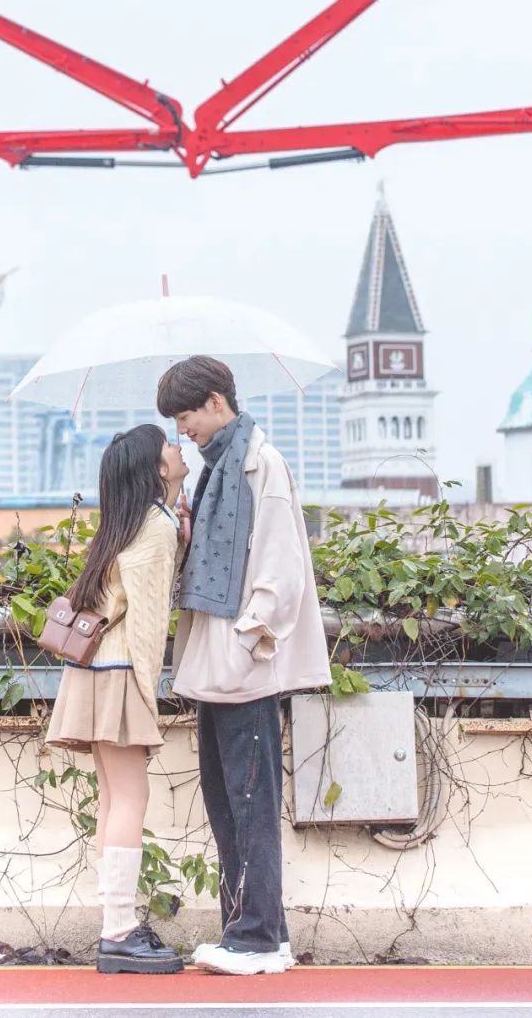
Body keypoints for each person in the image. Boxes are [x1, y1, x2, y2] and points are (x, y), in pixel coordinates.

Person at [156, 356, 330, 976]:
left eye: (187, 417)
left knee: (250, 800)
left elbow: (282, 566)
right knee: (227, 797)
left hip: (243, 663)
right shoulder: (218, 469)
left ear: (215, 401)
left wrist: (248, 641)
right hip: (219, 663)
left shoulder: (260, 463)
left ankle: (254, 937)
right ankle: (259, 932)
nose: (183, 431)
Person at [45, 423, 189, 975]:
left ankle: (116, 926)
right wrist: (150, 694)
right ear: (156, 467)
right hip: (123, 670)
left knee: (112, 799)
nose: (178, 447)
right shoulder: (155, 526)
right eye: (168, 444)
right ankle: (120, 932)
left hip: (92, 670)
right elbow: (148, 621)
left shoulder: (126, 523)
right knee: (130, 798)